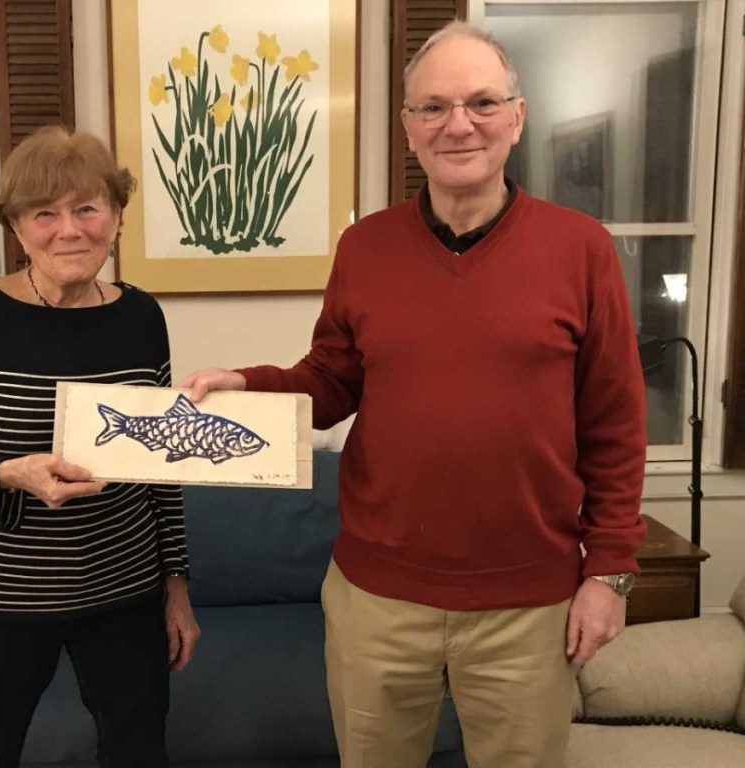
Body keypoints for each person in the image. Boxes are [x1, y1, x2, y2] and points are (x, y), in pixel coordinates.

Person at [181, 21, 646, 768]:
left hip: (530, 603)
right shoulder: (364, 248)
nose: (457, 124)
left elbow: (616, 423)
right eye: (432, 107)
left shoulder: (581, 248)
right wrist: (248, 383)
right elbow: (332, 380)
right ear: (407, 127)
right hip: (379, 599)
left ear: (517, 117)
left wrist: (610, 574)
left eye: (481, 102)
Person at [0, 125, 200, 768]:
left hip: (125, 593)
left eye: (87, 208)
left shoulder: (142, 318)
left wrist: (176, 586)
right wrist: (8, 474)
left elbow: (160, 471)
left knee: (140, 752)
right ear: (17, 226)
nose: (70, 230)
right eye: (45, 213)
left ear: (115, 217)